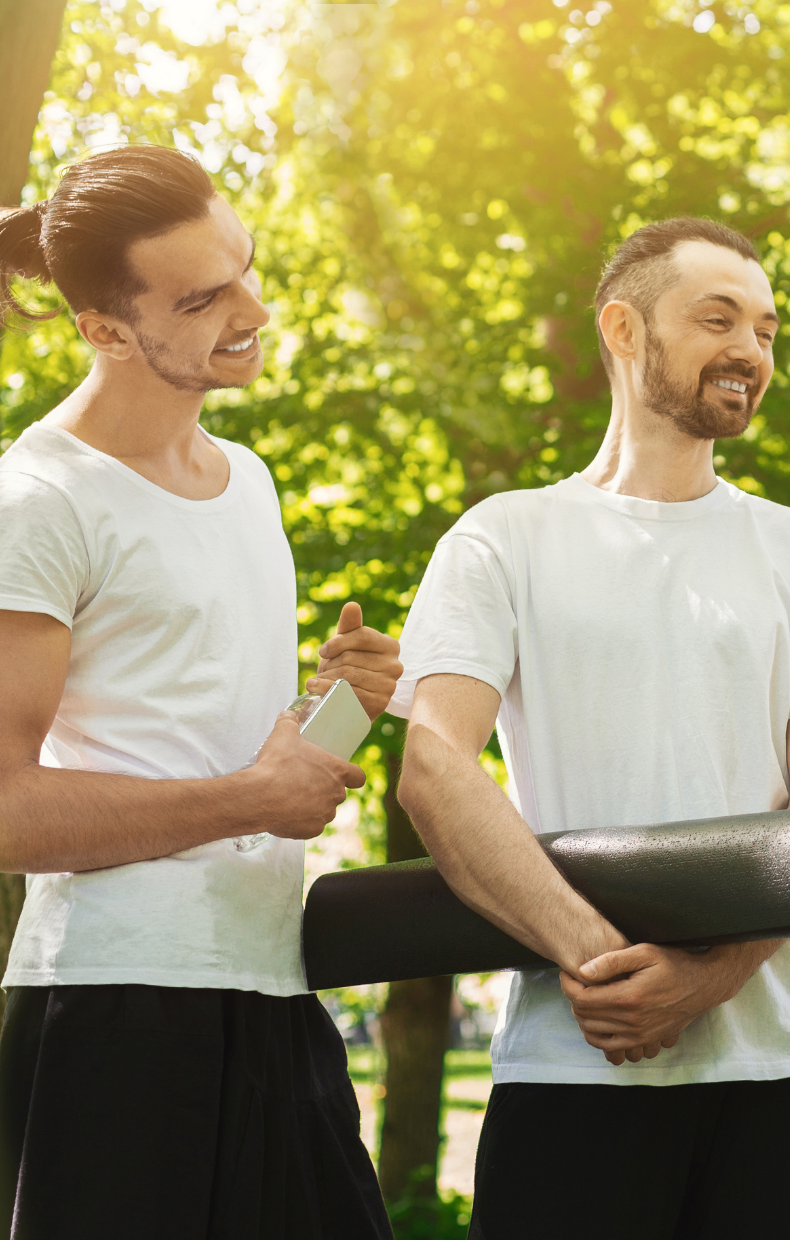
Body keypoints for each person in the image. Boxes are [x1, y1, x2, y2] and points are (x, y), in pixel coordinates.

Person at [390, 217, 790, 1238]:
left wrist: (704, 979)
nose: (751, 351)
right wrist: (599, 964)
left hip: (775, 1059)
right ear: (623, 330)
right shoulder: (504, 537)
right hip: (574, 1050)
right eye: (718, 318)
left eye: (766, 329)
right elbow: (434, 772)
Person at [0, 146, 400, 1237]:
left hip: (271, 986)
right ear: (105, 329)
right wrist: (248, 797)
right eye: (203, 296)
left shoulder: (248, 482)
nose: (253, 308)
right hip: (115, 1012)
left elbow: (210, 738)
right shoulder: (37, 501)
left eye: (246, 269)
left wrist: (341, 702)